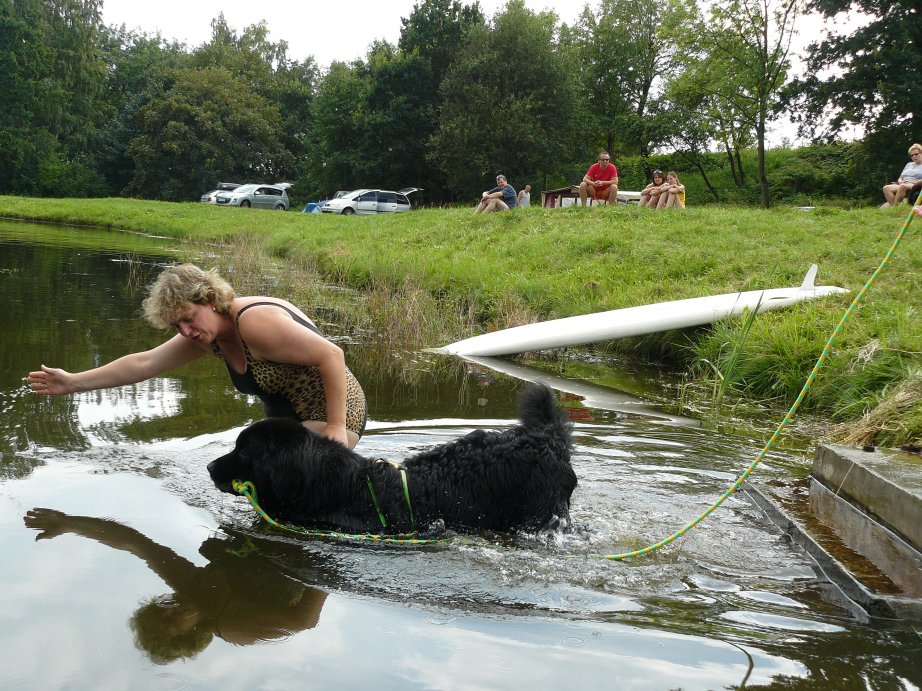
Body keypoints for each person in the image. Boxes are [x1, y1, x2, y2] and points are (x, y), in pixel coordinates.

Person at [27, 263, 367, 449]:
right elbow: (144, 363)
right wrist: (73, 383)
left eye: (189, 318)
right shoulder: (207, 336)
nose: (186, 331)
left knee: (276, 482)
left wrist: (336, 428)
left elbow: (332, 356)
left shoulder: (254, 322)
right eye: (177, 325)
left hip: (336, 413)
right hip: (289, 421)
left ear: (208, 299)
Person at [24, 508, 328, 662]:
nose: (170, 609)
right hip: (317, 544)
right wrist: (326, 562)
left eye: (161, 610)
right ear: (189, 636)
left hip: (278, 526)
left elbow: (134, 542)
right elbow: (303, 620)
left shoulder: (189, 587)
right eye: (171, 621)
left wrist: (69, 523)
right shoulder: (235, 626)